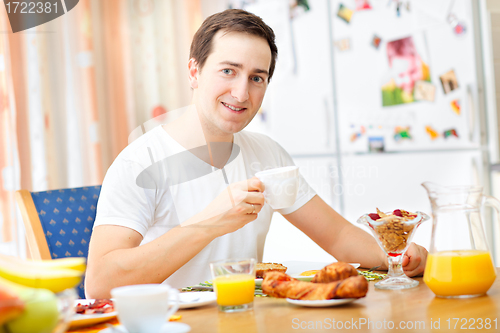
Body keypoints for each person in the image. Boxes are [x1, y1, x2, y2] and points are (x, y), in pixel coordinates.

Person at [85, 9, 427, 298]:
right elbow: (100, 284)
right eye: (228, 71)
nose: (241, 92)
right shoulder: (139, 163)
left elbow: (337, 235)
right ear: (194, 71)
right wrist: (209, 223)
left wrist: (398, 256)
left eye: (257, 78)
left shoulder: (267, 155)